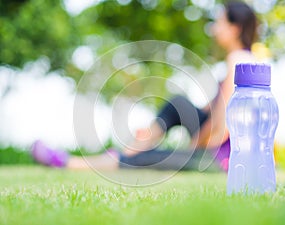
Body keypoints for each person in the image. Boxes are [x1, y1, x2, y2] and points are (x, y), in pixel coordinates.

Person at [32, 1, 258, 172]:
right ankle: (131, 148)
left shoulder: (237, 59)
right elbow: (212, 111)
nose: (214, 29)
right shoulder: (239, 58)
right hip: (215, 151)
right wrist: (152, 131)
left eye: (219, 23)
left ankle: (69, 162)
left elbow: (223, 128)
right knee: (177, 104)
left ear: (235, 28)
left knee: (151, 156)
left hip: (222, 160)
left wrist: (193, 146)